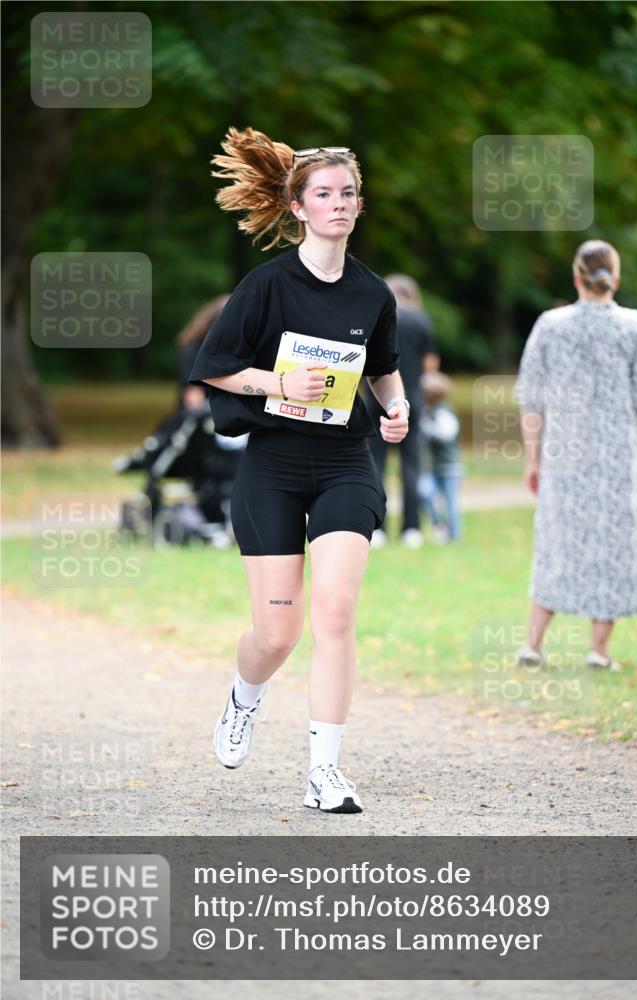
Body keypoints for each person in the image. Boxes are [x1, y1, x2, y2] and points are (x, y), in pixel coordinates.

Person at [188, 128, 408, 813]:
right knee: (277, 632)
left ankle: (324, 772)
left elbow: (384, 371)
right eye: (324, 194)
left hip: (346, 461)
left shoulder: (372, 294)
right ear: (297, 207)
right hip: (272, 467)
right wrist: (281, 385)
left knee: (335, 611)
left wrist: (396, 411)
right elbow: (214, 368)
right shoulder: (265, 285)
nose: (338, 204)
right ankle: (242, 697)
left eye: (348, 193)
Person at [515, 239, 637, 671]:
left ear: (576, 278)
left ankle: (533, 644)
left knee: (557, 542)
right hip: (625, 458)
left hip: (566, 453)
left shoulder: (549, 325)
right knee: (614, 546)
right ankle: (599, 651)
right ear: (614, 279)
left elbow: (531, 399)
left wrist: (533, 459)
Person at [367, 274, 439, 548]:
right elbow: (431, 365)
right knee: (411, 466)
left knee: (376, 464)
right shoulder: (420, 320)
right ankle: (412, 529)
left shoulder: (377, 318)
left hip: (376, 401)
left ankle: (378, 529)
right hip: (412, 402)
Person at [418, 371, 464, 542]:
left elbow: (447, 434)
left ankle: (454, 536)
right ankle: (440, 526)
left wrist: (426, 428)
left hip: (450, 466)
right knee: (424, 492)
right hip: (433, 466)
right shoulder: (427, 411)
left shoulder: (445, 411)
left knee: (451, 503)